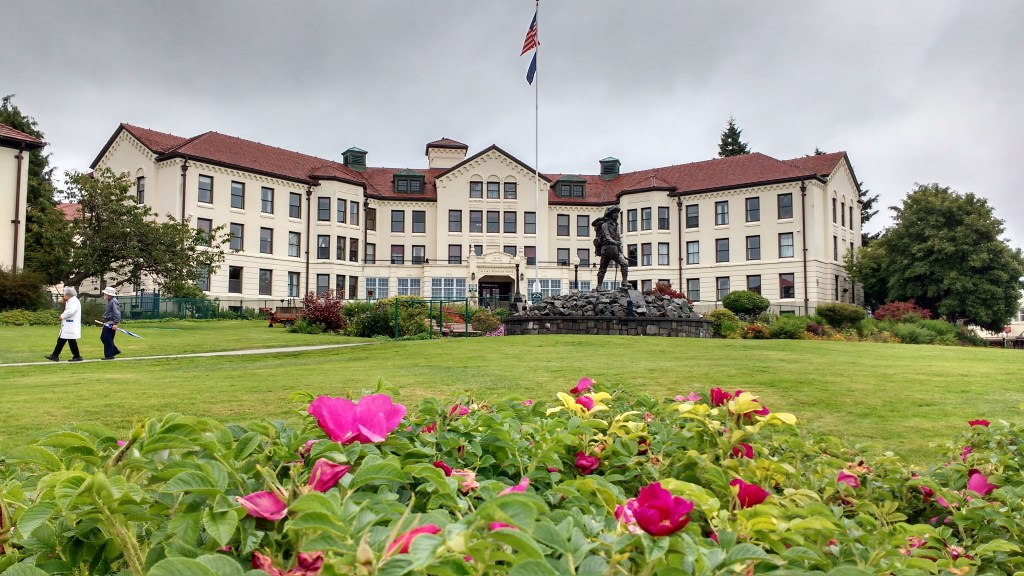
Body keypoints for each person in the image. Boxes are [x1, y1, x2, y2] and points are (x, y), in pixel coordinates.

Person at [592, 205, 629, 289]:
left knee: (624, 264)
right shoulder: (605, 225)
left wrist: (622, 252)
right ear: (610, 214)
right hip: (607, 248)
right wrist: (615, 242)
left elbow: (618, 239)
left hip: (615, 249)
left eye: (617, 213)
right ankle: (599, 286)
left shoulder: (616, 225)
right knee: (603, 268)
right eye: (614, 213)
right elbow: (607, 236)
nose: (617, 215)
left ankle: (624, 282)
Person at [46, 287, 83, 362]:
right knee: (62, 340)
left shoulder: (73, 302)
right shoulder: (71, 301)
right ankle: (55, 355)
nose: (63, 296)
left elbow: (70, 312)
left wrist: (62, 316)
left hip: (70, 325)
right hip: (68, 325)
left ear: (68, 295)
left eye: (64, 294)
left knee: (69, 340)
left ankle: (76, 356)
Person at [100, 286, 122, 360]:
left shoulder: (113, 301)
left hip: (111, 322)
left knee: (107, 338)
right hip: (107, 322)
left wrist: (115, 323)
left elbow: (117, 312)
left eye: (105, 294)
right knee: (104, 337)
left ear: (109, 295)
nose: (104, 295)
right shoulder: (109, 301)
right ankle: (114, 350)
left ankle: (109, 355)